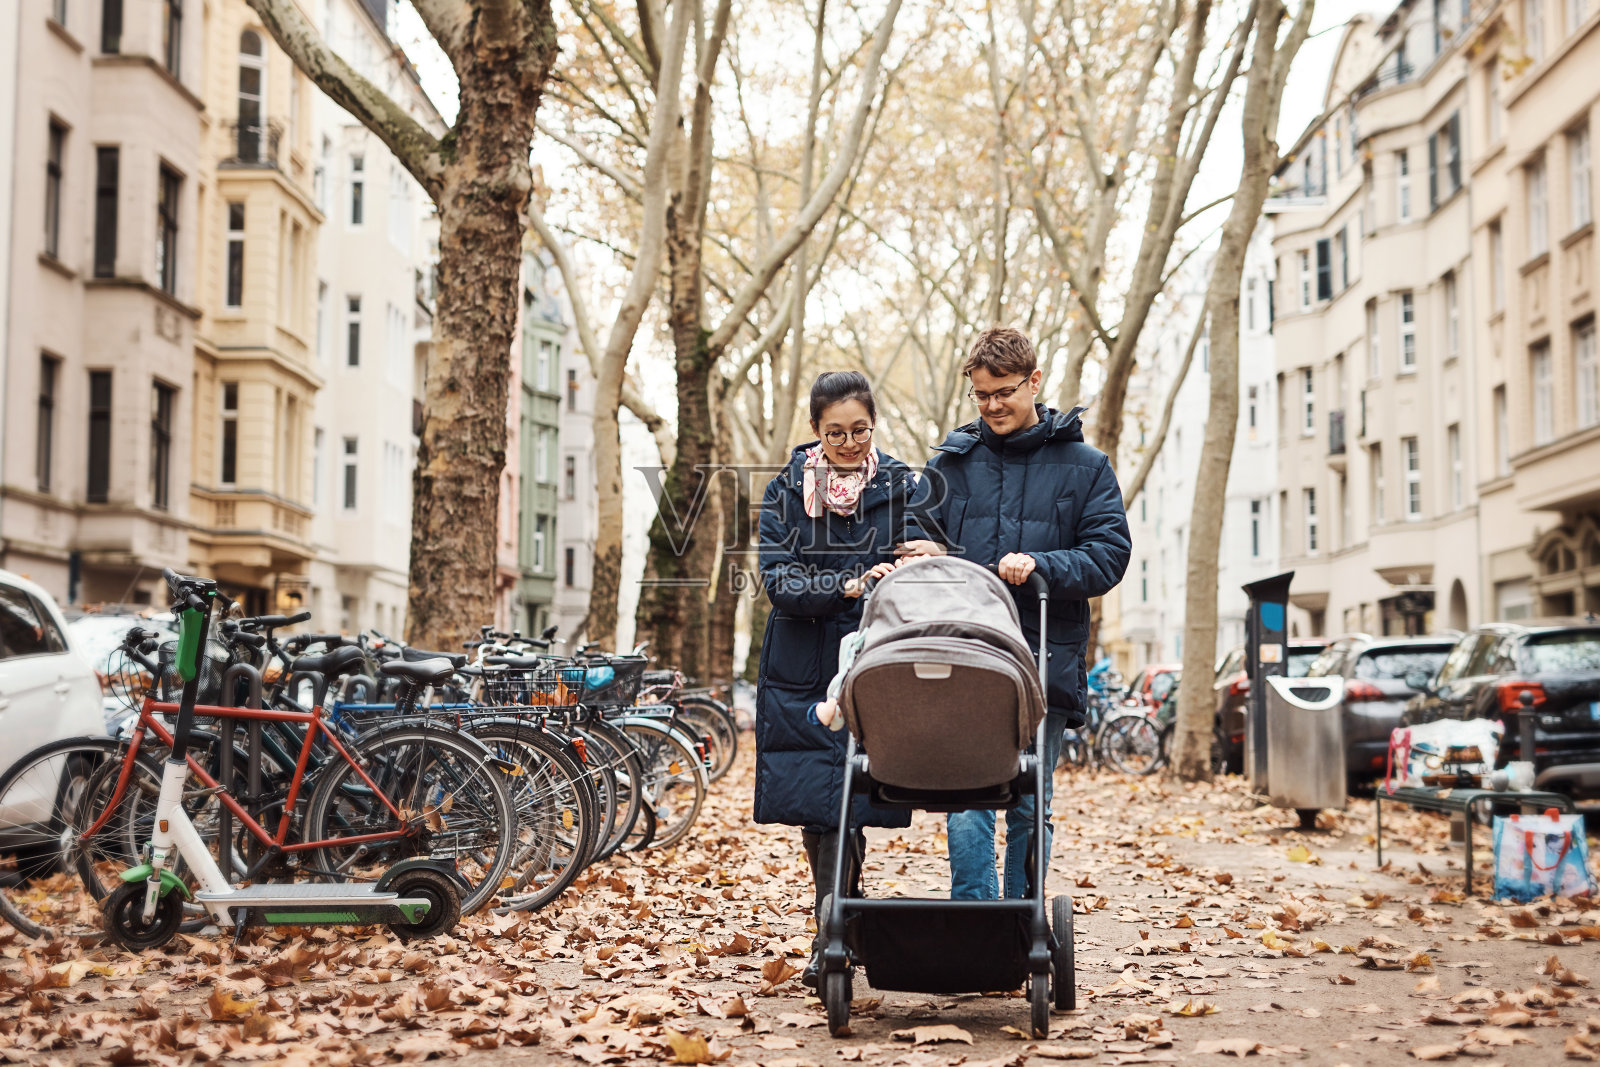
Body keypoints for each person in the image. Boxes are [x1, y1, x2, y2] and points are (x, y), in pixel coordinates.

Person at [898, 326, 1132, 900]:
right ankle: (974, 922)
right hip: (963, 657)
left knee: (1031, 801)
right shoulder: (950, 466)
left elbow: (1109, 555)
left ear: (1033, 381)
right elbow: (913, 545)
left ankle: (1022, 921)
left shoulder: (1087, 465)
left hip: (1044, 657)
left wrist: (1042, 563)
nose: (993, 405)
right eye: (981, 395)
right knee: (969, 798)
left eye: (1003, 392)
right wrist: (929, 556)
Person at [753, 370, 924, 987]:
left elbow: (925, 560)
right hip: (802, 666)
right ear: (814, 431)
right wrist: (848, 584)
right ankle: (835, 933)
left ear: (873, 424)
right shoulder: (782, 493)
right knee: (819, 807)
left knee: (855, 799)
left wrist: (908, 566)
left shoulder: (903, 486)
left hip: (875, 660)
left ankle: (837, 931)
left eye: (860, 430)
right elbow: (780, 583)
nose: (849, 443)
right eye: (835, 433)